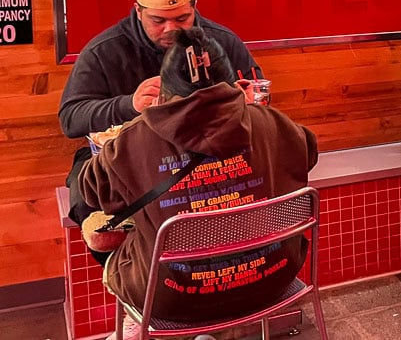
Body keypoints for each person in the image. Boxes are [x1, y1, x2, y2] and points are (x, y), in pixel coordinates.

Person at [79, 27, 317, 340]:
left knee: (106, 231)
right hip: (273, 275)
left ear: (164, 88)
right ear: (232, 81)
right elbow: (307, 153)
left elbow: (92, 191)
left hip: (171, 297)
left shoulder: (132, 141)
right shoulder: (272, 122)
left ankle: (142, 327)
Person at [59, 0, 261, 229]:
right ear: (138, 11)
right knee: (86, 189)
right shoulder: (104, 51)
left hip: (209, 157)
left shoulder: (220, 41)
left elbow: (258, 91)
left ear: (195, 6)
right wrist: (129, 104)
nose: (170, 29)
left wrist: (249, 100)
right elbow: (71, 118)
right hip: (136, 159)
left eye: (181, 19)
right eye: (158, 20)